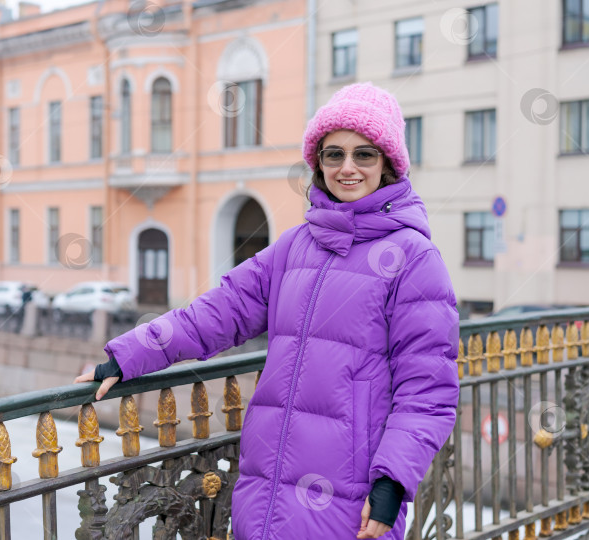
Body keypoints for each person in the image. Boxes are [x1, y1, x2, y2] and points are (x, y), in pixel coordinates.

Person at [74, 82, 460, 540]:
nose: (348, 167)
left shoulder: (414, 257)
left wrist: (393, 479)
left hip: (350, 493)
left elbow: (428, 390)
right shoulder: (295, 245)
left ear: (389, 165)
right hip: (268, 481)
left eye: (365, 154)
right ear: (318, 162)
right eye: (334, 154)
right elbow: (220, 311)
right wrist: (130, 354)